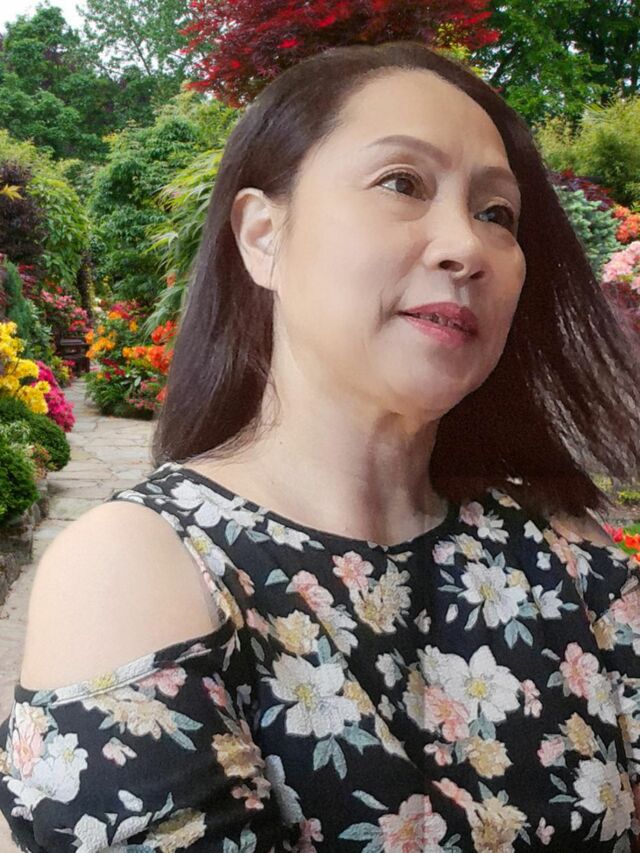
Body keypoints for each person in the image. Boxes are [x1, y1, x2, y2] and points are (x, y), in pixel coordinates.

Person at [1, 40, 639, 853]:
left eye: (496, 214)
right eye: (402, 182)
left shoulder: (569, 556)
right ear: (263, 235)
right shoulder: (139, 570)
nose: (466, 246)